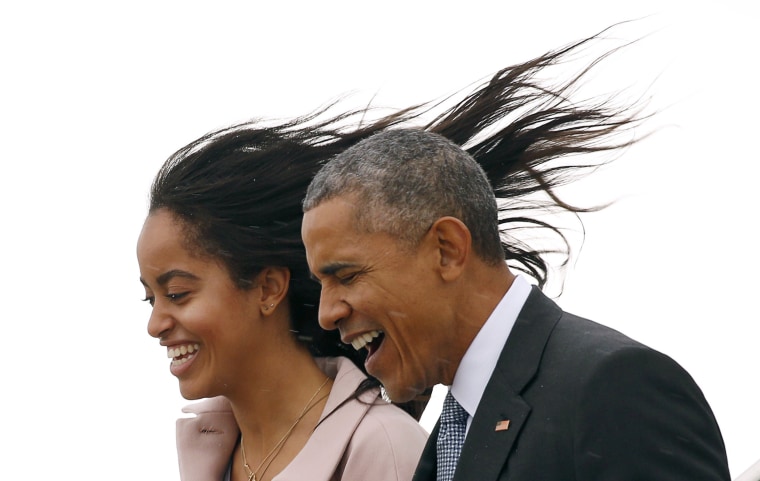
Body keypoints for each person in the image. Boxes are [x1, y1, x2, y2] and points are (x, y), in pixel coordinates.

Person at [300, 35, 732, 481]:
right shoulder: (450, 437)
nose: (327, 314)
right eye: (322, 285)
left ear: (446, 250)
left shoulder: (615, 387)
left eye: (346, 276)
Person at [136, 121, 429, 480]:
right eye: (151, 299)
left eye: (177, 294)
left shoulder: (384, 448)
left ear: (268, 289)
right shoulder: (208, 451)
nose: (156, 326)